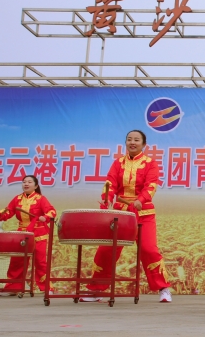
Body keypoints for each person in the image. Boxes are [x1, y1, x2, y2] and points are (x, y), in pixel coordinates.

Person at [83, 129, 172, 303]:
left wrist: (141, 200)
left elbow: (151, 185)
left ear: (143, 144)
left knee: (148, 249)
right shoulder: (118, 163)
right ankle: (97, 290)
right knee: (106, 250)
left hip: (143, 213)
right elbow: (110, 183)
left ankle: (163, 288)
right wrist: (106, 199)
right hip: (121, 215)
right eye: (129, 139)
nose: (132, 142)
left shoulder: (150, 163)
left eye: (136, 140)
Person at [0, 175, 56, 295]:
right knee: (17, 260)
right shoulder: (17, 199)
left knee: (40, 262)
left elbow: (52, 211)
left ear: (36, 186)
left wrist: (46, 217)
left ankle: (47, 288)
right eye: (24, 182)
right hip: (23, 233)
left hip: (39, 233)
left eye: (29, 182)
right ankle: (13, 287)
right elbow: (9, 211)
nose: (26, 184)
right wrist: (0, 215)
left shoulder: (41, 199)